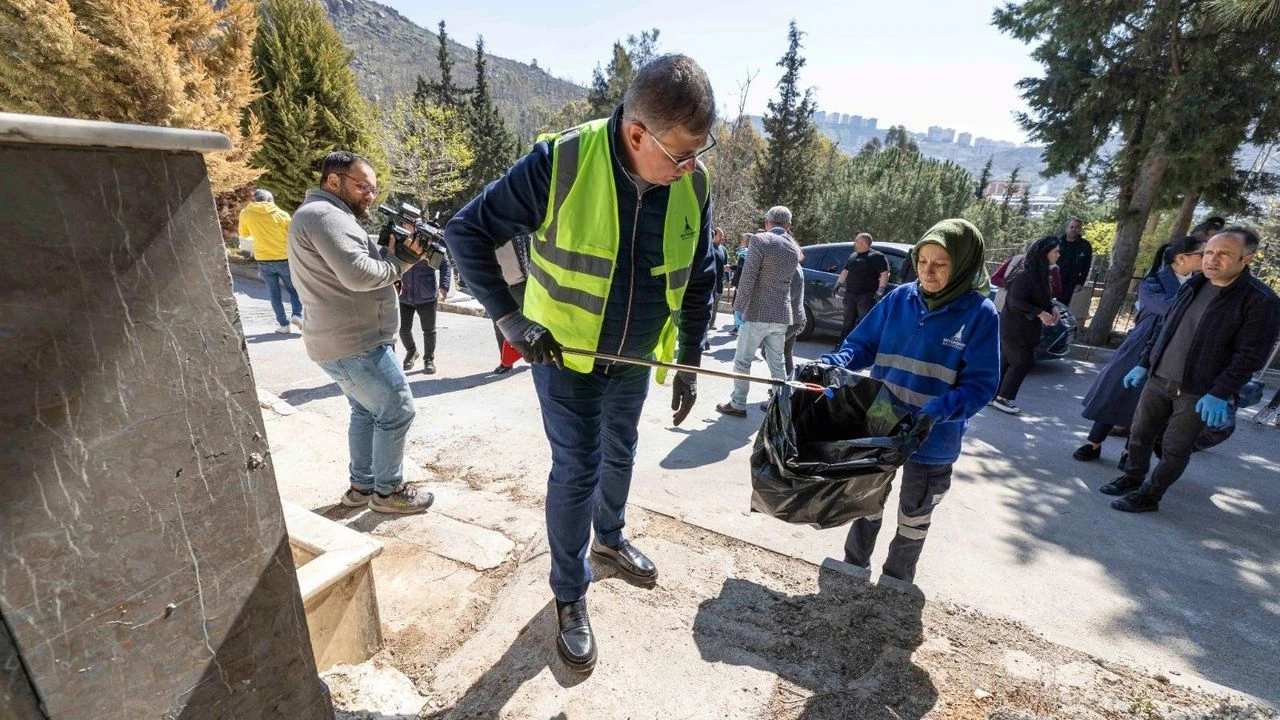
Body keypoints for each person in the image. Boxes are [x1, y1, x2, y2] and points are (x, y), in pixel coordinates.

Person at [444, 54, 717, 672]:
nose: (692, 167)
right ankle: (570, 593)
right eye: (680, 155)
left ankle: (611, 537)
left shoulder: (692, 183)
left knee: (621, 449)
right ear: (637, 133)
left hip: (635, 355)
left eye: (700, 152)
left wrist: (692, 358)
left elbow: (700, 274)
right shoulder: (562, 161)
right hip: (565, 354)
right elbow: (467, 232)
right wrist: (509, 318)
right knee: (577, 467)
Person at [818, 218, 999, 582]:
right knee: (865, 502)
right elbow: (861, 344)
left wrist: (939, 410)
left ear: (963, 264)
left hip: (933, 439)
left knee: (914, 518)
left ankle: (895, 584)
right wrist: (834, 363)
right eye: (922, 261)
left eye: (940, 264)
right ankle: (852, 569)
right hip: (882, 426)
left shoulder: (980, 314)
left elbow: (981, 385)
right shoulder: (901, 298)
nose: (927, 273)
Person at [288, 150, 434, 515]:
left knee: (367, 412)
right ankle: (388, 493)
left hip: (337, 339)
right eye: (362, 186)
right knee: (397, 410)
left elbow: (352, 265)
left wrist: (386, 255)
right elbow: (358, 275)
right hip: (357, 342)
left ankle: (361, 487)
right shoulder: (325, 215)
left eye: (373, 188)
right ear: (333, 180)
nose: (370, 194)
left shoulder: (318, 215)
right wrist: (401, 262)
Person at [1105, 227, 1280, 513]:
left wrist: (1220, 393)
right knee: (1139, 433)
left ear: (1246, 258)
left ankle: (1151, 495)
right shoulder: (1194, 284)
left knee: (1176, 446)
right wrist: (1144, 363)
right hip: (1159, 377)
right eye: (1209, 252)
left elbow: (1250, 356)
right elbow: (1164, 328)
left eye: (1224, 254)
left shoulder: (1261, 300)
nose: (1212, 259)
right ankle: (1132, 477)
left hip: (1199, 390)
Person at [1073, 236, 1204, 462]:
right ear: (1182, 259)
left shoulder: (1199, 284)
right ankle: (1094, 442)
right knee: (1116, 392)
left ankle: (1129, 450)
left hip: (1175, 349)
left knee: (1150, 405)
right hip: (1141, 344)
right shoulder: (1152, 283)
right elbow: (1171, 309)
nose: (1207, 258)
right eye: (1203, 254)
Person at [715, 206, 801, 417]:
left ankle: (738, 403)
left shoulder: (760, 240)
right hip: (782, 313)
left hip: (757, 312)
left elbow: (748, 277)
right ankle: (782, 404)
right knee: (777, 362)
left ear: (766, 222)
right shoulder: (794, 248)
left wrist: (738, 307)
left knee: (743, 359)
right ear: (789, 226)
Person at [991, 236, 1060, 415]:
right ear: (1044, 253)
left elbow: (1041, 297)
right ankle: (1003, 398)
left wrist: (1051, 307)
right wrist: (1039, 312)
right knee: (1022, 361)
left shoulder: (1041, 273)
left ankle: (993, 395)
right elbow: (1016, 300)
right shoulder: (1026, 273)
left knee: (1007, 361)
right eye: (1055, 252)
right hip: (1015, 326)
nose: (1058, 255)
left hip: (1025, 327)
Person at [239, 189, 302, 334]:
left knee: (274, 294)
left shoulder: (246, 214)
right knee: (294, 289)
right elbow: (293, 234)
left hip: (263, 259)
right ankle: (297, 315)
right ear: (269, 200)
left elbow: (244, 233)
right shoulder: (282, 214)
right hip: (284, 258)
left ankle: (283, 325)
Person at [397, 245, 451, 374]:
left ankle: (429, 360)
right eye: (406, 223)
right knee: (403, 330)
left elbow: (445, 263)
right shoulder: (399, 238)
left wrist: (444, 286)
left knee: (429, 330)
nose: (409, 225)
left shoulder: (429, 241)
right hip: (404, 294)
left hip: (427, 295)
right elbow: (382, 257)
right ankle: (411, 351)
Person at [834, 232, 889, 347]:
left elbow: (885, 273)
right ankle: (841, 346)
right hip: (850, 296)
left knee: (864, 323)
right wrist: (838, 284)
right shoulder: (853, 255)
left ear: (863, 243)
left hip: (866, 297)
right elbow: (845, 271)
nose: (854, 244)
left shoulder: (877, 256)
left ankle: (861, 348)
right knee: (847, 322)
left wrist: (880, 290)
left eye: (856, 241)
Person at [491, 234, 532, 375]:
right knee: (500, 325)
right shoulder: (484, 230)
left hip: (520, 283)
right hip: (497, 287)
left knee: (530, 321)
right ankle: (506, 361)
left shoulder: (518, 228)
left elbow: (530, 251)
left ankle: (534, 356)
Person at [1055, 218, 1093, 308]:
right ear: (1066, 228)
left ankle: (1058, 321)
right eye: (1071, 227)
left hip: (1070, 281)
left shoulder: (1085, 245)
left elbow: (1086, 266)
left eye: (1077, 227)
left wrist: (1080, 283)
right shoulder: (1057, 243)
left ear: (1080, 229)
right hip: (1054, 278)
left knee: (1062, 307)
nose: (1074, 229)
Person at [783, 250, 806, 377]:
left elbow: (789, 296)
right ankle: (788, 385)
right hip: (794, 318)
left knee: (767, 351)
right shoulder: (795, 267)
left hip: (792, 319)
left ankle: (781, 383)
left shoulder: (794, 270)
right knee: (786, 353)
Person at [706, 227, 729, 349]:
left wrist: (727, 276)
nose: (722, 238)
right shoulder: (709, 247)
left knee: (716, 303)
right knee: (708, 306)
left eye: (722, 236)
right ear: (714, 236)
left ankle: (711, 323)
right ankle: (705, 329)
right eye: (720, 235)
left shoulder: (723, 249)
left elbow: (725, 263)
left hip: (718, 282)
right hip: (709, 281)